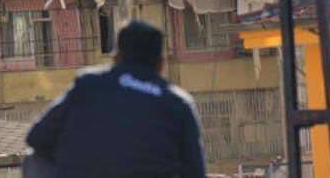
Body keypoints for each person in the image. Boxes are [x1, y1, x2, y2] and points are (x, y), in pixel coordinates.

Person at [24, 21, 206, 178]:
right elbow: (195, 172)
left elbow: (36, 138)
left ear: (116, 57)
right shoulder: (178, 104)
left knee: (34, 159)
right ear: (160, 65)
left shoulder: (88, 84)